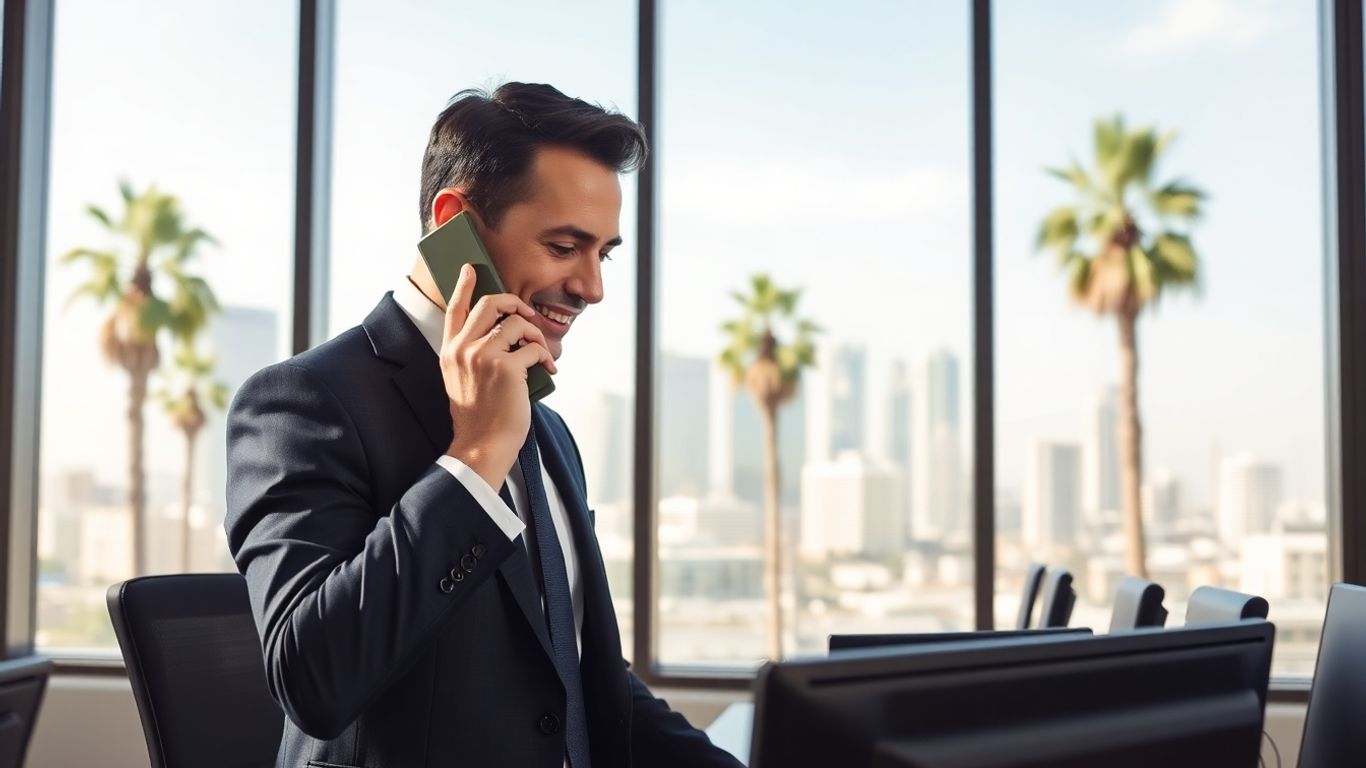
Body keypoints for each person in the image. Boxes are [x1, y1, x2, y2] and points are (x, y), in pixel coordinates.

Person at [225, 82, 744, 768]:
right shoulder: (303, 402)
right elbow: (312, 678)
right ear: (454, 224)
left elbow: (578, 675)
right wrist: (474, 458)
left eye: (603, 254)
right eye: (565, 245)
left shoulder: (549, 432)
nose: (592, 287)